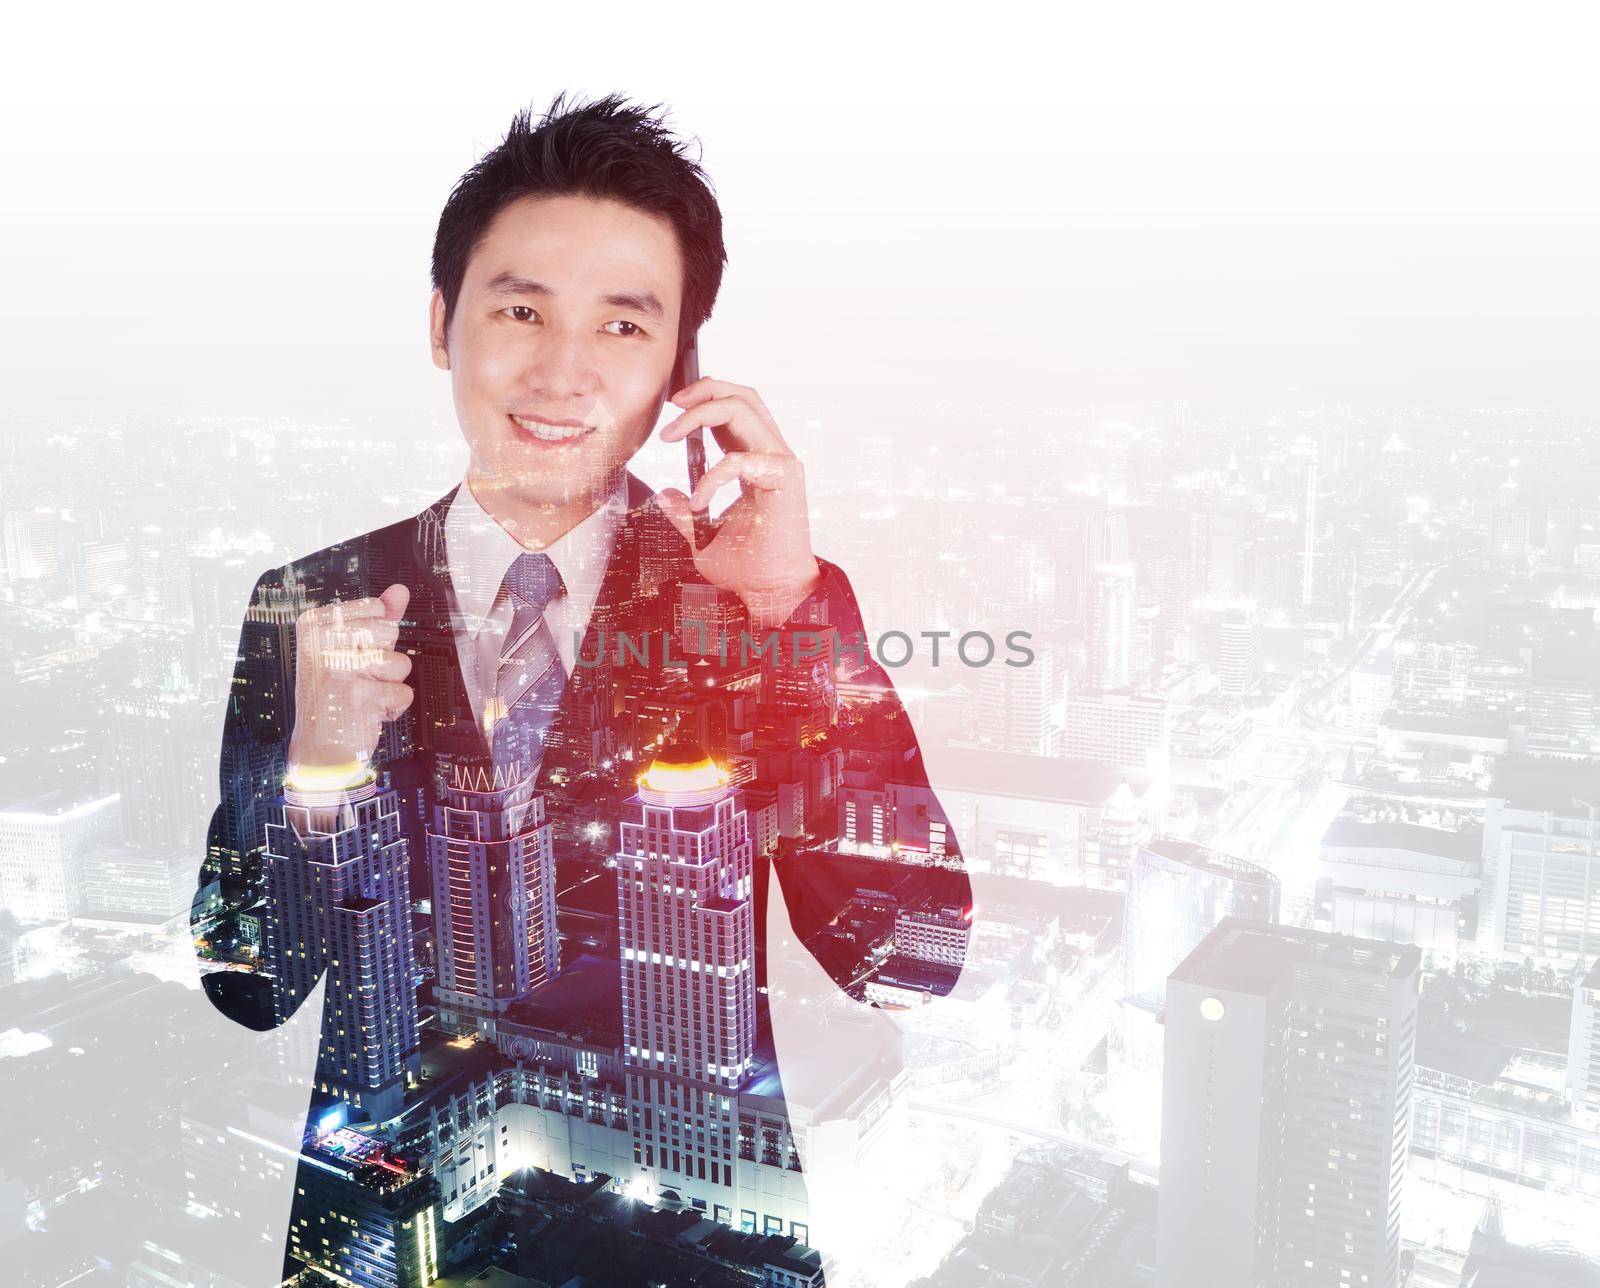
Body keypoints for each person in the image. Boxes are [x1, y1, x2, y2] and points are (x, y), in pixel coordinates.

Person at [191, 92, 970, 1283]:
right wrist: (319, 769)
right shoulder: (313, 597)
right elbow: (245, 983)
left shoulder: (760, 599)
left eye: (621, 327)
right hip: (395, 1239)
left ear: (680, 371)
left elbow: (908, 960)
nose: (560, 372)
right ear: (444, 322)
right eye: (519, 309)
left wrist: (788, 617)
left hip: (689, 1237)